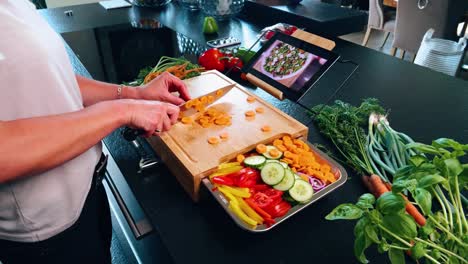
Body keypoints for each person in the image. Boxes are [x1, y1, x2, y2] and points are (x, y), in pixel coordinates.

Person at [0, 1, 190, 263]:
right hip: (46, 234)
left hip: (85, 193)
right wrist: (122, 110)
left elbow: (50, 76)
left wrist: (133, 93)